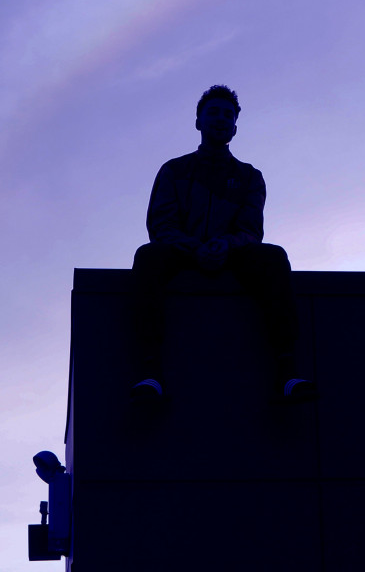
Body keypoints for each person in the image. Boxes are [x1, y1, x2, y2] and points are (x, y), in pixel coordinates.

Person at [129, 85, 317, 405]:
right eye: (213, 112)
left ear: (235, 127)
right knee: (148, 256)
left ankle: (287, 372)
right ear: (198, 121)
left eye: (228, 115)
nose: (220, 119)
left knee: (273, 257)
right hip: (182, 253)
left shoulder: (249, 176)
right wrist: (193, 247)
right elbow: (161, 225)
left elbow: (250, 229)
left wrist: (224, 245)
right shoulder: (174, 170)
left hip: (231, 255)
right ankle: (149, 374)